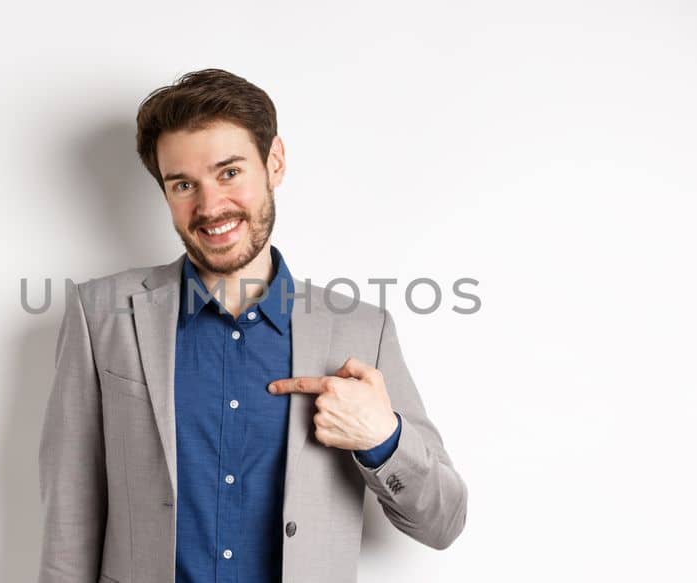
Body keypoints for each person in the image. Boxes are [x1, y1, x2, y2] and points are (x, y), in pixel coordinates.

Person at [38, 68, 467, 583]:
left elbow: (443, 523)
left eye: (229, 172)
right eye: (182, 184)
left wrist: (382, 437)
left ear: (274, 162)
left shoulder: (360, 329)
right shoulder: (99, 315)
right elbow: (69, 520)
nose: (210, 206)